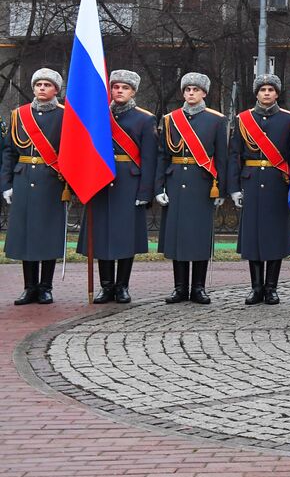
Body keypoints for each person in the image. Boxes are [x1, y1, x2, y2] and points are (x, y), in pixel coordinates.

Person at [78, 69, 156, 303]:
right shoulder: (98, 114)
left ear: (133, 91)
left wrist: (145, 191)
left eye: (125, 88)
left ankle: (122, 286)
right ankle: (106, 286)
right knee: (101, 235)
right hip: (100, 181)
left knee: (125, 236)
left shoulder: (145, 118)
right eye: (115, 87)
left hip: (129, 183)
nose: (119, 91)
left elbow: (150, 159)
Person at [157, 73, 226, 305]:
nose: (191, 94)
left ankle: (198, 287)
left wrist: (222, 189)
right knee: (177, 237)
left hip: (203, 183)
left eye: (196, 90)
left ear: (204, 93)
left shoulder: (216, 120)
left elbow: (222, 158)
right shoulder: (170, 120)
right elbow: (162, 156)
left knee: (198, 237)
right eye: (187, 90)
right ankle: (179, 288)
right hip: (175, 181)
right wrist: (159, 187)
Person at [229, 73, 290, 305]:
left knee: (274, 236)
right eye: (262, 89)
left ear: (277, 93)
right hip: (251, 182)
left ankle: (271, 288)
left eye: (271, 89)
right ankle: (256, 287)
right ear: (256, 93)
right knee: (253, 237)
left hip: (278, 183)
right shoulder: (243, 119)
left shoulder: (289, 120)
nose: (266, 93)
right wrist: (235, 187)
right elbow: (234, 155)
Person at [2, 69, 67, 305]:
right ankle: (29, 287)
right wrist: (6, 184)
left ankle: (46, 287)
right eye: (38, 84)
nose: (41, 88)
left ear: (56, 90)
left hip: (52, 181)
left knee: (47, 235)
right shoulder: (19, 114)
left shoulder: (66, 115)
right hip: (23, 178)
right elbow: (8, 152)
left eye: (47, 85)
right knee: (26, 235)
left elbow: (71, 152)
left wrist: (69, 183)